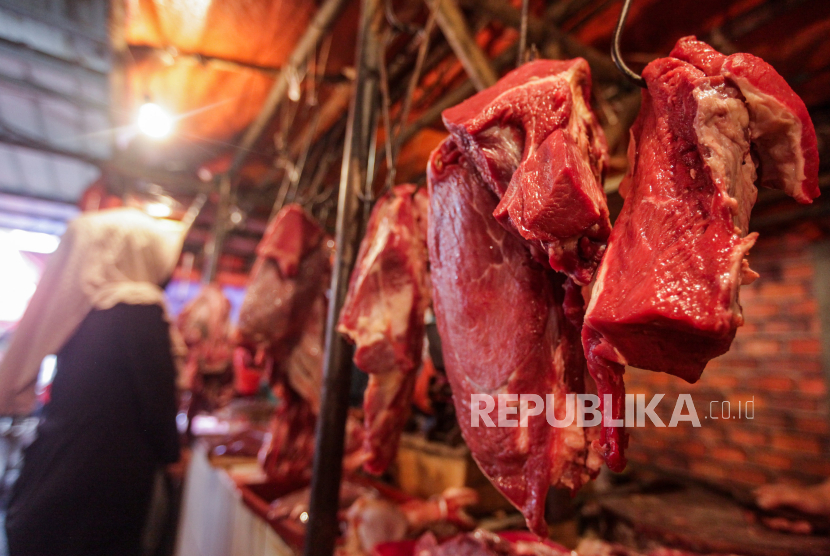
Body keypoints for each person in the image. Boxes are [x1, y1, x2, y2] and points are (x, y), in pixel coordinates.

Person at [0, 207, 188, 556]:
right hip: (104, 477)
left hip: (61, 467)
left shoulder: (89, 310)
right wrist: (172, 454)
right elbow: (156, 397)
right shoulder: (137, 308)